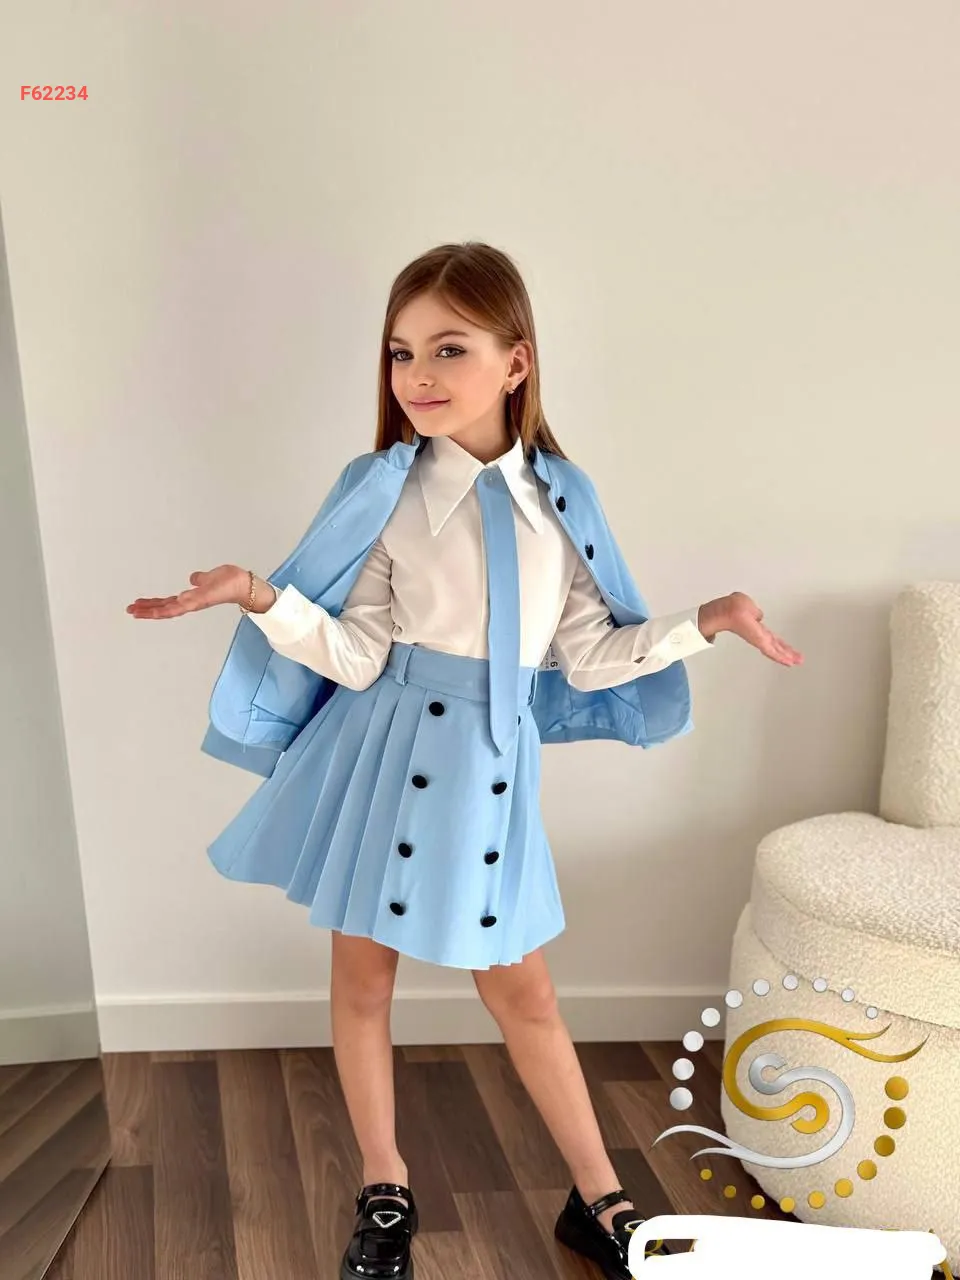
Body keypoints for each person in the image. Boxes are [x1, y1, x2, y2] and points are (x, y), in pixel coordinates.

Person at [127, 242, 802, 1280]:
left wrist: (702, 622)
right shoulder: (384, 489)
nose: (418, 375)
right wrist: (260, 595)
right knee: (363, 980)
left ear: (516, 360)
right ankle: (385, 1187)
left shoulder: (562, 498)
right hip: (383, 752)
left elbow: (589, 653)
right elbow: (357, 656)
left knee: (524, 991)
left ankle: (601, 1200)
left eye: (449, 348)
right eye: (401, 352)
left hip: (493, 765)